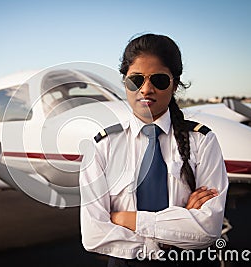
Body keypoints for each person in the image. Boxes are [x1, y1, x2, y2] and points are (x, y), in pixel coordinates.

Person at [79, 33, 228, 267]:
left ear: (175, 84)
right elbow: (93, 235)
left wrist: (125, 219)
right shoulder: (102, 147)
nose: (146, 89)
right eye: (135, 80)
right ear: (125, 82)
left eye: (159, 80)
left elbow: (208, 229)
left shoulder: (203, 140)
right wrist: (165, 243)